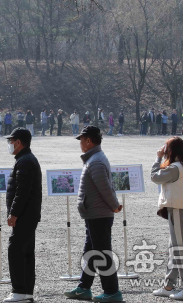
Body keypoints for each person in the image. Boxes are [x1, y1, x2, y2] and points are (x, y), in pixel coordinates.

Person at [64, 126, 123, 302]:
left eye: (81, 140)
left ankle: (112, 291)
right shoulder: (95, 158)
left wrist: (114, 205)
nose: (80, 144)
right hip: (94, 214)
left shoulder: (95, 161)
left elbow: (104, 188)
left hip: (99, 214)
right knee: (90, 252)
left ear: (88, 141)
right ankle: (84, 288)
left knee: (102, 253)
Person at [151, 137, 183, 301]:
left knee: (182, 249)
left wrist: (158, 158)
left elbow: (155, 177)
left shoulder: (175, 167)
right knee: (176, 248)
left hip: (179, 210)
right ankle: (169, 285)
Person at [3, 128, 41, 303]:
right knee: (26, 253)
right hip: (29, 215)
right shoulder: (26, 159)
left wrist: (14, 213)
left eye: (11, 141)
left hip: (24, 216)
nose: (10, 144)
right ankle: (26, 292)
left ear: (18, 142)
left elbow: (22, 192)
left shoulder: (25, 161)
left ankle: (18, 291)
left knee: (16, 250)